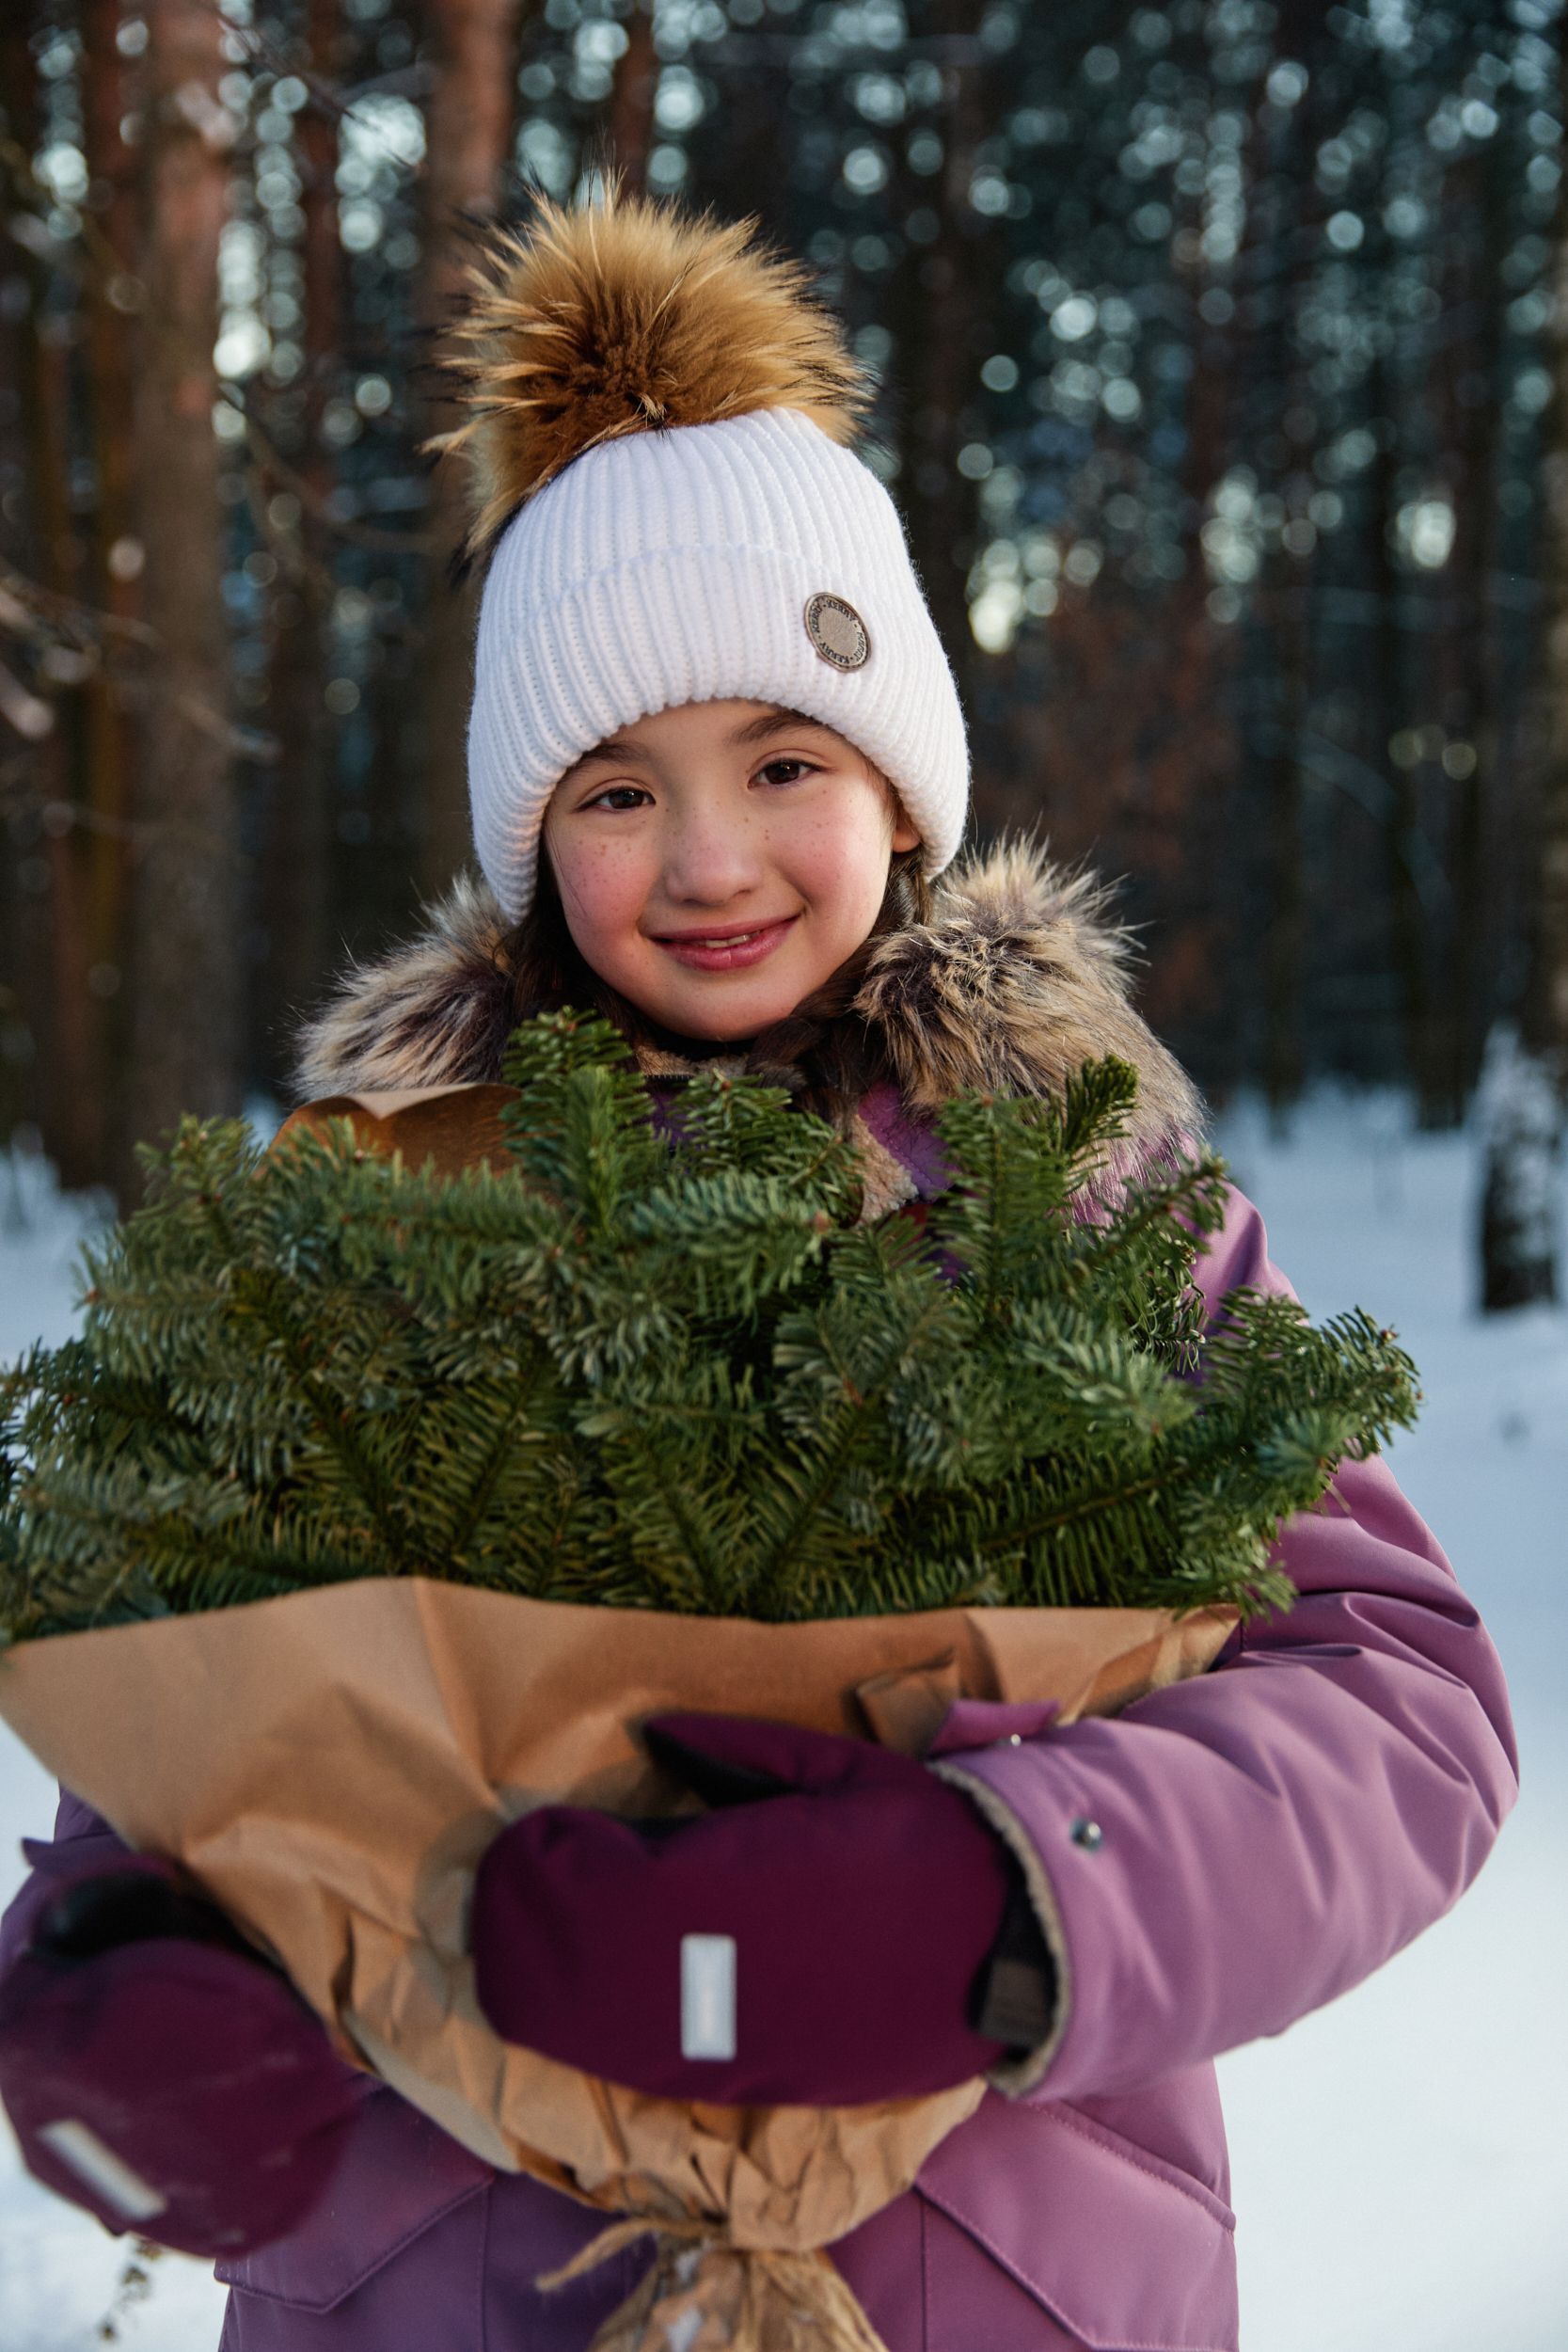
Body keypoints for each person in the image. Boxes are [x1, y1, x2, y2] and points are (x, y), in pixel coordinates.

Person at [0, 192, 1516, 2352]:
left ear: (901, 791)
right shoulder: (377, 1218)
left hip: (973, 2282)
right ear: (533, 846)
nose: (709, 860)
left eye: (785, 760)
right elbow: (179, 1711)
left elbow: (1402, 1703)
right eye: (619, 789)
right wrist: (107, 1981)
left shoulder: (1070, 1199)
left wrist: (1004, 1897)